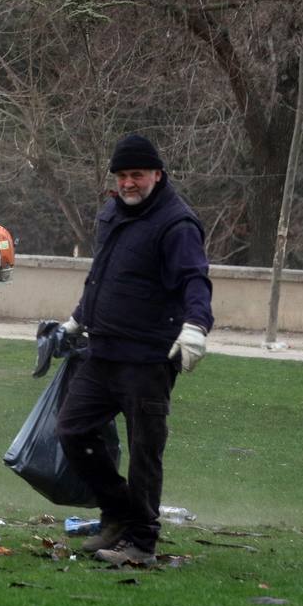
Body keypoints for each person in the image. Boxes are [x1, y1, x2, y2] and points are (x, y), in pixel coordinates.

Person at [56, 133, 213, 567]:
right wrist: (76, 320)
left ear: (157, 176)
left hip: (147, 359)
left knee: (145, 452)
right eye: (123, 175)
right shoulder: (112, 214)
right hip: (102, 351)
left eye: (137, 175)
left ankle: (141, 540)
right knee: (72, 429)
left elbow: (194, 280)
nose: (129, 183)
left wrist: (197, 325)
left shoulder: (176, 223)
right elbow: (101, 276)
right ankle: (118, 513)